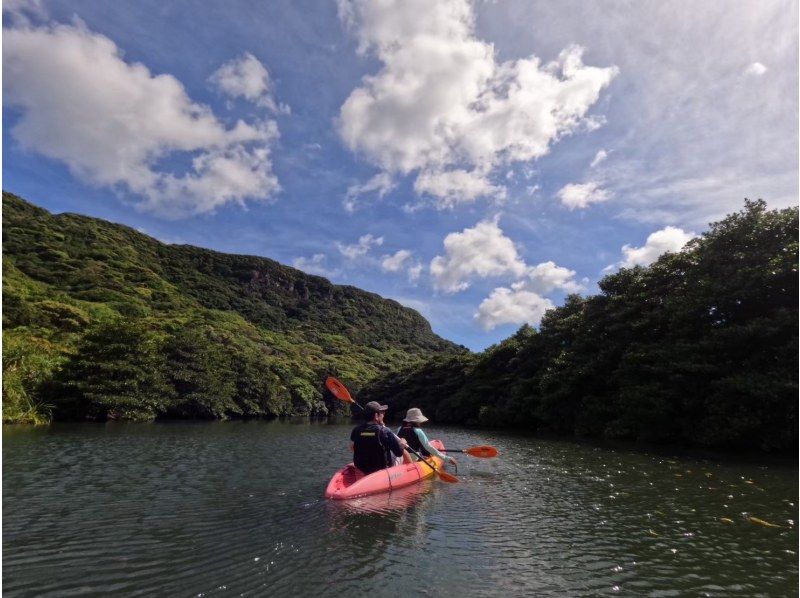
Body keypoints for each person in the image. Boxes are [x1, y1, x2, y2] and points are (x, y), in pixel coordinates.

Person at [350, 401, 411, 475]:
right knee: (403, 453)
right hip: (381, 470)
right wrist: (402, 444)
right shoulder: (384, 431)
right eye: (381, 412)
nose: (383, 414)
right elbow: (398, 453)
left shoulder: (356, 429)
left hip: (361, 468)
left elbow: (352, 447)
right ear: (376, 416)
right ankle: (410, 471)